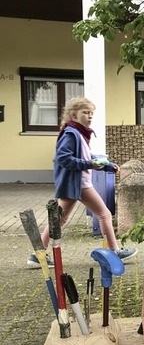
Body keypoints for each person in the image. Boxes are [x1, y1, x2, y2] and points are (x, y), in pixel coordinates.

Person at [26, 97, 138, 268]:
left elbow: (86, 157)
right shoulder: (71, 133)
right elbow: (63, 158)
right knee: (104, 214)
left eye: (91, 113)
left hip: (75, 184)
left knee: (59, 220)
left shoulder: (79, 134)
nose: (90, 116)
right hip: (78, 184)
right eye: (85, 112)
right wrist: (89, 164)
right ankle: (115, 252)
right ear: (73, 115)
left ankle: (37, 255)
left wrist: (106, 165)